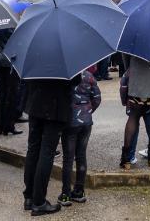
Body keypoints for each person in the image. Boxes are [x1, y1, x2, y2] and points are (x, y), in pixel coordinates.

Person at [22, 76, 71, 215]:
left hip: (35, 101)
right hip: (55, 105)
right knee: (46, 152)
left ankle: (29, 197)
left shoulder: (34, 61)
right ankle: (39, 201)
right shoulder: (63, 63)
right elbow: (74, 80)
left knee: (33, 149)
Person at [59, 66, 101, 206]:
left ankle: (65, 194)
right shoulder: (89, 76)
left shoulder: (65, 76)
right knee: (81, 155)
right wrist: (88, 111)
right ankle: (79, 191)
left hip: (70, 122)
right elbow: (97, 98)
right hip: (86, 122)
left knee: (68, 159)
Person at [0, 28, 23, 136]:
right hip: (11, 61)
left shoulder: (1, 25)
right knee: (11, 94)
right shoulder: (12, 27)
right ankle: (8, 126)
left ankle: (1, 126)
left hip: (2, 58)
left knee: (2, 93)